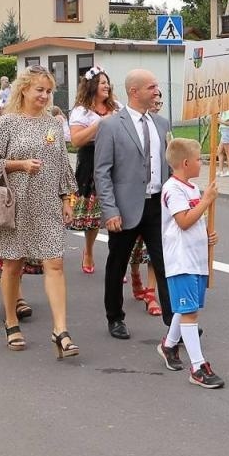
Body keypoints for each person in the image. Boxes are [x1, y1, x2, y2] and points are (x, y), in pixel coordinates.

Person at [0, 66, 78, 356]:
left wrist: (68, 198)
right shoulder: (8, 123)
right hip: (15, 204)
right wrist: (19, 165)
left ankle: (61, 330)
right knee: (13, 265)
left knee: (54, 263)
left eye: (48, 90)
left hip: (47, 205)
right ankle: (11, 320)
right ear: (24, 90)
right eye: (39, 90)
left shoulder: (54, 124)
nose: (44, 95)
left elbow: (63, 164)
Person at [95, 69, 174, 340]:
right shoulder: (111, 126)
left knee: (165, 264)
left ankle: (174, 322)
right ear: (134, 91)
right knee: (117, 264)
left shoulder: (162, 124)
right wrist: (110, 210)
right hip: (125, 207)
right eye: (151, 87)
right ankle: (115, 317)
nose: (156, 91)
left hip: (156, 206)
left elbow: (170, 167)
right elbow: (102, 172)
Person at [157, 137, 223, 387]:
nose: (201, 163)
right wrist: (206, 201)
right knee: (189, 311)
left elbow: (194, 222)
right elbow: (183, 220)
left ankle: (169, 345)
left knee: (187, 307)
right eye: (198, 160)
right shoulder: (172, 189)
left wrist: (207, 235)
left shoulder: (192, 189)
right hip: (181, 259)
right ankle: (198, 366)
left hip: (196, 258)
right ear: (185, 163)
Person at [67, 67, 115, 275]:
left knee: (117, 209)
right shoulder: (81, 111)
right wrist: (100, 124)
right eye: (102, 82)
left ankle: (117, 260)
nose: (106, 86)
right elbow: (76, 140)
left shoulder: (117, 107)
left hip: (115, 158)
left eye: (107, 83)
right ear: (92, 86)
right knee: (94, 212)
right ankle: (88, 250)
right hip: (92, 159)